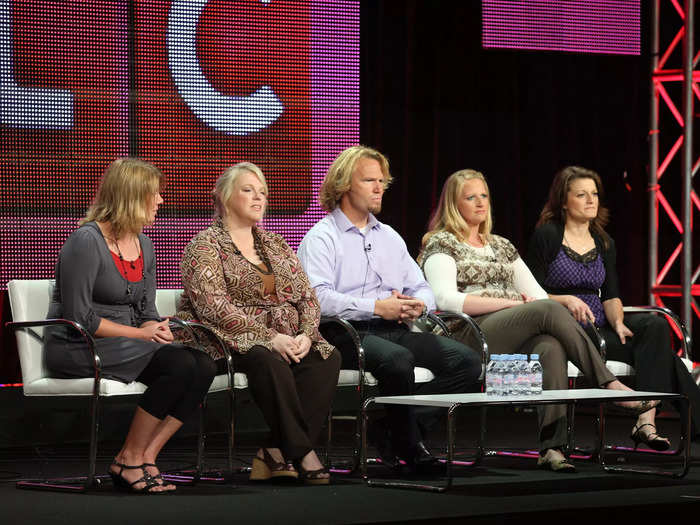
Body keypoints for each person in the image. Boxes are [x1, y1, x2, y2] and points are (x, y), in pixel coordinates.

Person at [417, 168, 655, 472]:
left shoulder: (502, 246)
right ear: (453, 204)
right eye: (470, 197)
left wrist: (564, 299)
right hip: (466, 337)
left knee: (550, 346)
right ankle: (608, 384)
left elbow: (538, 296)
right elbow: (446, 300)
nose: (480, 203)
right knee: (548, 312)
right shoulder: (442, 244)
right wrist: (509, 303)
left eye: (484, 196)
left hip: (506, 336)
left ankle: (551, 447)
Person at [297, 146, 482, 470]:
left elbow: (423, 288)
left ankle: (393, 430)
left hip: (394, 328)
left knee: (466, 361)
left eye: (382, 180)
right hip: (342, 333)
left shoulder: (389, 237)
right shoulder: (322, 237)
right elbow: (318, 299)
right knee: (399, 360)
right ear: (343, 185)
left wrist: (417, 304)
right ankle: (410, 448)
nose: (379, 187)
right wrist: (376, 307)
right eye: (369, 180)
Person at [45, 158, 216, 494]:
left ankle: (145, 456)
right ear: (132, 196)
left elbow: (145, 310)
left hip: (129, 343)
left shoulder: (144, 244)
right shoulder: (85, 241)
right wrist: (142, 334)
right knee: (179, 366)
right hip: (79, 345)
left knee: (203, 365)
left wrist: (157, 327)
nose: (160, 201)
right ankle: (129, 457)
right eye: (154, 194)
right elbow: (82, 318)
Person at [176, 162, 340, 485]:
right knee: (268, 359)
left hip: (287, 336)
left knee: (327, 356)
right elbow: (214, 307)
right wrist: (269, 336)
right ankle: (304, 453)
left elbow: (307, 298)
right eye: (248, 190)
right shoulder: (206, 245)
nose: (258, 198)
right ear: (223, 197)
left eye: (263, 192)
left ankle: (274, 453)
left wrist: (306, 335)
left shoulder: (276, 245)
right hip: (229, 338)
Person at [528, 165, 700, 449]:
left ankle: (646, 419)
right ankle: (661, 423)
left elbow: (611, 294)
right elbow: (531, 294)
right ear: (563, 201)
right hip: (566, 330)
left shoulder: (603, 241)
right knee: (666, 360)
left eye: (594, 194)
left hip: (600, 328)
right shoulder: (547, 236)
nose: (590, 200)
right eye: (581, 195)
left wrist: (618, 321)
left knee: (654, 325)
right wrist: (566, 300)